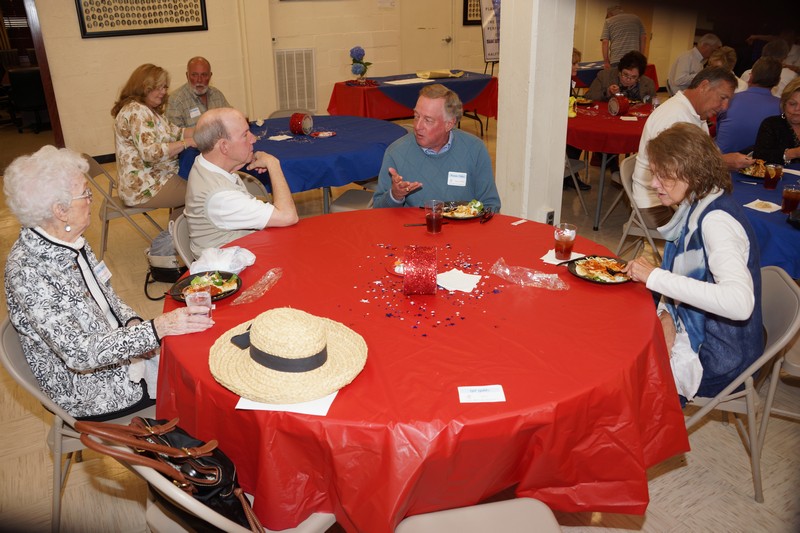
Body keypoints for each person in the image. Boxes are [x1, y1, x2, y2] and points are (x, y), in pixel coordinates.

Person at [3, 146, 214, 420]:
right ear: (61, 210)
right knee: (199, 386)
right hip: (90, 389)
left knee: (196, 352)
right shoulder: (29, 271)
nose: (91, 199)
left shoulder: (69, 240)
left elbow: (108, 298)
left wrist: (133, 323)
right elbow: (80, 353)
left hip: (114, 350)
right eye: (85, 193)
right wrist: (156, 329)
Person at [624, 123, 762, 405]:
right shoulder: (697, 202)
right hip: (703, 329)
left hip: (721, 356)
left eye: (663, 175)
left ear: (692, 171)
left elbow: (739, 303)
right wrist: (667, 317)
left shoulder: (716, 222)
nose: (653, 183)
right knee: (620, 325)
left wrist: (656, 278)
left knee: (622, 368)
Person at [632, 67, 754, 227]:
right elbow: (675, 174)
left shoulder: (693, 113)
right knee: (727, 223)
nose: (724, 107)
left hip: (672, 196)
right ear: (704, 86)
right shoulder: (674, 117)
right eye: (723, 98)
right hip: (657, 203)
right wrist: (723, 162)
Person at [185, 107, 299, 260]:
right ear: (224, 146)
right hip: (231, 271)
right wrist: (273, 164)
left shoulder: (204, 163)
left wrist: (238, 162)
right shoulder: (221, 198)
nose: (254, 139)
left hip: (238, 251)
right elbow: (288, 216)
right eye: (245, 135)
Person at [372, 84, 501, 210]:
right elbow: (378, 212)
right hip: (413, 230)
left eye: (428, 120)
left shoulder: (475, 149)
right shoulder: (396, 152)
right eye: (416, 116)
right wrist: (395, 196)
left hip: (464, 229)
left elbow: (490, 205)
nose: (417, 126)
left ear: (449, 124)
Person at [112, 64, 195, 213]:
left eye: (165, 87)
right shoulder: (136, 111)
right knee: (201, 192)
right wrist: (187, 143)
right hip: (143, 188)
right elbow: (150, 153)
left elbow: (176, 132)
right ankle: (179, 233)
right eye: (159, 87)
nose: (163, 92)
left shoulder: (149, 110)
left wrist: (204, 130)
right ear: (145, 87)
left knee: (195, 182)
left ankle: (176, 232)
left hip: (155, 177)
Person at [715, 57, 782, 154]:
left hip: (720, 159)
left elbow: (719, 130)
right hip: (759, 165)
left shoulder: (728, 99)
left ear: (751, 77)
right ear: (778, 81)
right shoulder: (782, 107)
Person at [166, 56, 231, 128]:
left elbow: (231, 121)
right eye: (194, 75)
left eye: (204, 75)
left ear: (210, 76)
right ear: (187, 76)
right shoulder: (176, 100)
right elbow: (176, 135)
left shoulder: (217, 95)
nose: (199, 80)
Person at [753, 77, 800, 165]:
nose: (797, 109)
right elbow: (759, 158)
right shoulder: (771, 124)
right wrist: (793, 153)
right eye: (792, 104)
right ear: (784, 103)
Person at [585, 50, 656, 103]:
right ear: (619, 70)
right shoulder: (604, 75)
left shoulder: (648, 83)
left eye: (634, 77)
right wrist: (607, 92)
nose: (628, 79)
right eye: (625, 74)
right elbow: (589, 97)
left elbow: (653, 106)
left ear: (639, 77)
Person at [600, 5, 646, 70]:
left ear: (609, 14)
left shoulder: (609, 21)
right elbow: (643, 38)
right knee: (632, 79)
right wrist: (641, 58)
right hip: (635, 59)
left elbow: (605, 42)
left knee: (617, 79)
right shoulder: (637, 19)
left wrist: (606, 62)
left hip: (617, 59)